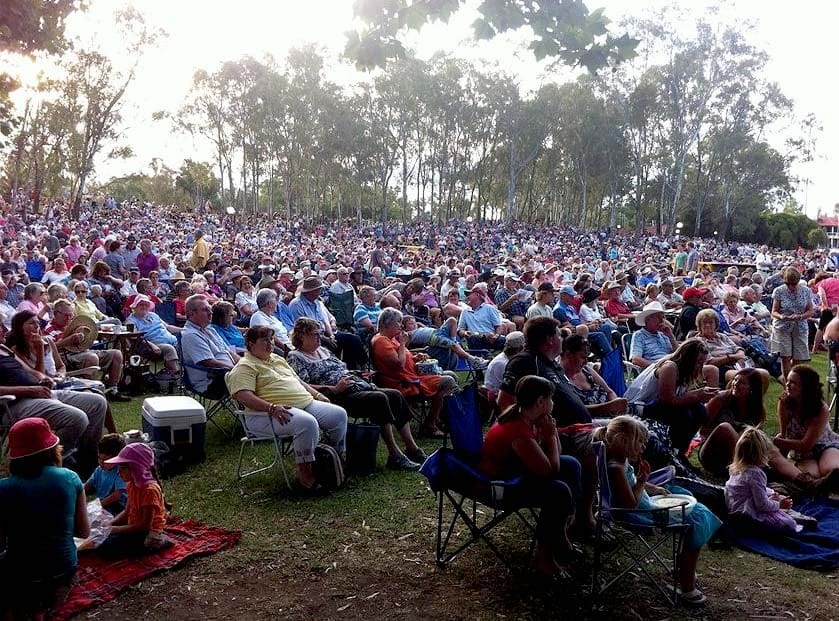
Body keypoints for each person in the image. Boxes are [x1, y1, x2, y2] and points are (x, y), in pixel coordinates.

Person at [595, 416, 721, 607]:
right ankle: (687, 586)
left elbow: (631, 488)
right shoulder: (616, 468)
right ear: (623, 440)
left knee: (685, 497)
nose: (643, 447)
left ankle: (683, 567)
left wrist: (651, 487)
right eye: (640, 442)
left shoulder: (620, 462)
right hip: (643, 515)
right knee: (699, 519)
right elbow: (630, 504)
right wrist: (642, 481)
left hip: (645, 507)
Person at [497, 316, 598, 536]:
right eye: (559, 333)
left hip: (575, 427)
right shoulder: (525, 362)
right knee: (603, 446)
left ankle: (599, 509)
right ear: (550, 339)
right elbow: (505, 401)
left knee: (622, 430)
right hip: (557, 432)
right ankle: (585, 517)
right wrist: (536, 432)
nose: (563, 338)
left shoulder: (550, 363)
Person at [287, 317, 426, 470]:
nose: (320, 337)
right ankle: (395, 455)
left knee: (395, 395)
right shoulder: (296, 357)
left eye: (320, 333)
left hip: (356, 385)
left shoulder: (323, 350)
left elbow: (342, 369)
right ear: (302, 336)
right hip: (335, 396)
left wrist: (358, 374)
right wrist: (334, 388)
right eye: (315, 334)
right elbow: (303, 385)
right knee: (379, 399)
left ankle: (412, 448)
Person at [478, 375, 581, 578]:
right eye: (551, 398)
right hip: (500, 487)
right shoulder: (517, 429)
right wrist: (550, 436)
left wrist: (551, 433)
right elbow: (550, 470)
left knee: (571, 465)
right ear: (541, 401)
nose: (553, 403)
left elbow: (557, 458)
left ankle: (561, 533)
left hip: (517, 473)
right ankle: (544, 559)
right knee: (558, 491)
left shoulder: (526, 417)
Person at [226, 325, 348, 495]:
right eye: (264, 340)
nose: (270, 343)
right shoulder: (245, 366)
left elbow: (299, 382)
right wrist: (271, 407)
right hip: (266, 415)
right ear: (251, 344)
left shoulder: (277, 359)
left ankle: (332, 461)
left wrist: (318, 395)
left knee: (338, 414)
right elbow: (243, 396)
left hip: (304, 403)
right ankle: (305, 477)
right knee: (307, 423)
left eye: (271, 339)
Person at [0, 418, 90, 620]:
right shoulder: (70, 478)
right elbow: (83, 532)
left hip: (21, 578)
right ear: (53, 450)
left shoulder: (3, 488)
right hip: (63, 573)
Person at [371, 307, 458, 438]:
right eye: (398, 322)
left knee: (451, 374)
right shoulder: (381, 341)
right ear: (387, 324)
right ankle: (430, 425)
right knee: (448, 381)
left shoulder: (391, 338)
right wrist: (403, 344)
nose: (401, 325)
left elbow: (404, 357)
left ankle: (440, 418)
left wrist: (416, 357)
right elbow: (399, 363)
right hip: (403, 382)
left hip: (412, 376)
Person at [623, 339, 714, 456]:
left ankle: (680, 452)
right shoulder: (670, 367)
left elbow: (679, 395)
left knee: (700, 410)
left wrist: (700, 393)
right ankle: (674, 450)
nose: (700, 366)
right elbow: (667, 399)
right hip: (642, 405)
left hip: (658, 403)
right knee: (684, 414)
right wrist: (697, 396)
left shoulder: (683, 370)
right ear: (688, 359)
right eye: (698, 362)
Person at [97, 443, 171, 557]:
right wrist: (110, 524)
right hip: (134, 526)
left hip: (146, 532)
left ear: (137, 468)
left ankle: (160, 541)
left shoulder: (149, 491)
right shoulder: (131, 485)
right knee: (101, 540)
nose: (119, 472)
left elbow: (145, 526)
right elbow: (127, 511)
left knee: (107, 549)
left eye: (122, 468)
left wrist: (115, 529)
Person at [773, 365, 839, 488]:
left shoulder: (820, 408)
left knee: (831, 470)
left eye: (793, 382)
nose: (787, 385)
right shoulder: (784, 402)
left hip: (825, 445)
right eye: (787, 381)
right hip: (802, 453)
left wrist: (776, 441)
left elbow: (806, 444)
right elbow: (784, 434)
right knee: (811, 476)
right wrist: (781, 461)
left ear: (806, 387)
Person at [725, 427, 800, 534]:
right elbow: (762, 505)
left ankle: (781, 511)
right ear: (761, 454)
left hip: (734, 508)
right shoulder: (756, 473)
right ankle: (785, 516)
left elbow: (752, 489)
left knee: (777, 498)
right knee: (789, 524)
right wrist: (779, 504)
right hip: (747, 516)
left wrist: (772, 493)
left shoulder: (736, 468)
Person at [181, 294, 240, 393]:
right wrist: (237, 369)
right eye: (205, 310)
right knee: (257, 380)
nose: (210, 312)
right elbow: (209, 362)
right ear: (192, 314)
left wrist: (244, 363)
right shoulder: (190, 335)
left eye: (210, 309)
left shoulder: (210, 329)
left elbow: (228, 351)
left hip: (228, 373)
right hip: (212, 380)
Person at [559, 334, 627, 418]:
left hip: (612, 414)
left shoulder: (586, 370)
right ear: (568, 355)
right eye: (582, 357)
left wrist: (616, 404)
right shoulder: (560, 379)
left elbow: (609, 391)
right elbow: (575, 410)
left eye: (587, 357)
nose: (586, 362)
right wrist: (608, 407)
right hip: (593, 420)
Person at [401, 314, 487, 371]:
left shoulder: (418, 328)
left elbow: (423, 327)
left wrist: (418, 324)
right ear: (404, 327)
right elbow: (406, 349)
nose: (414, 325)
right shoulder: (407, 334)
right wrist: (422, 349)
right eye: (411, 324)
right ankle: (474, 360)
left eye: (414, 323)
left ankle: (453, 341)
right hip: (434, 338)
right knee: (454, 346)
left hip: (438, 332)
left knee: (452, 320)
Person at [770, 267, 813, 379]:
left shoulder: (806, 291)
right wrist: (782, 316)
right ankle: (787, 384)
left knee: (799, 358)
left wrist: (801, 316)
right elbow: (774, 311)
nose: (791, 286)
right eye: (787, 283)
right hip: (782, 327)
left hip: (800, 327)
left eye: (794, 284)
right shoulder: (779, 291)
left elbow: (810, 310)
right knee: (785, 357)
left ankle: (794, 382)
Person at [125, 294, 181, 375]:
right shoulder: (131, 321)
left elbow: (168, 327)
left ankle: (187, 372)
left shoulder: (153, 315)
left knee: (185, 342)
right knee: (169, 349)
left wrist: (184, 330)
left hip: (172, 340)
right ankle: (175, 374)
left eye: (146, 305)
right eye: (141, 304)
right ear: (135, 306)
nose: (144, 307)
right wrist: (152, 345)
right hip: (151, 346)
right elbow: (135, 337)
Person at [84, 433, 128, 516]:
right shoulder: (99, 470)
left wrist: (97, 506)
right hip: (103, 506)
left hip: (117, 509)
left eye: (105, 460)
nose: (101, 462)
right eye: (99, 458)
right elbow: (87, 486)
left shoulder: (120, 472)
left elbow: (116, 496)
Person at [629, 301, 677, 369]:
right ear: (648, 319)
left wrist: (671, 337)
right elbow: (635, 359)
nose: (661, 321)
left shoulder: (664, 334)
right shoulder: (639, 335)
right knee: (669, 367)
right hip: (655, 369)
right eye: (658, 317)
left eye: (663, 317)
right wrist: (657, 367)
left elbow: (678, 353)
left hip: (671, 365)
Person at [249, 288, 292, 353]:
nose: (277, 303)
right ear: (269, 303)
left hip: (289, 346)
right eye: (275, 301)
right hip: (278, 351)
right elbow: (269, 337)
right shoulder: (257, 317)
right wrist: (288, 350)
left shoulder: (272, 317)